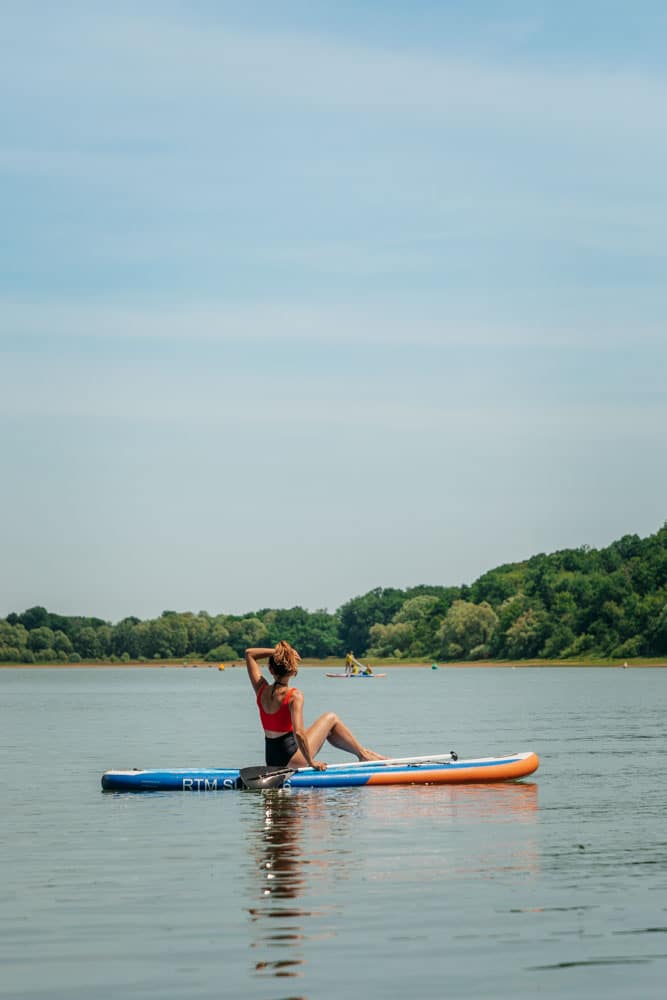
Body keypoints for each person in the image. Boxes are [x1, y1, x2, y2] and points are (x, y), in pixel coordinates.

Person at [245, 641, 384, 771]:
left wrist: (279, 652)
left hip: (272, 761)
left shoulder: (261, 689)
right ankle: (363, 755)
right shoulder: (294, 695)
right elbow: (299, 733)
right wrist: (311, 762)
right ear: (293, 671)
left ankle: (364, 753)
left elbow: (249, 654)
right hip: (293, 760)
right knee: (331, 718)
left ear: (270, 669)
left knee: (328, 727)